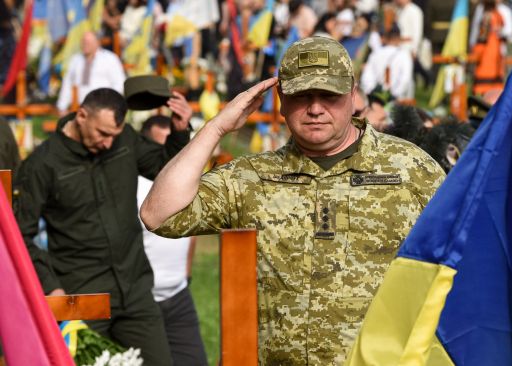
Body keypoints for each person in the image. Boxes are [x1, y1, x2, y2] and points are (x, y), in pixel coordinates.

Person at [140, 36, 446, 364]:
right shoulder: (252, 177)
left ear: (352, 93)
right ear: (281, 99)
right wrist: (217, 128)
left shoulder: (409, 167)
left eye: (329, 95)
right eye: (302, 96)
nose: (315, 109)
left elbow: (463, 262)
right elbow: (159, 214)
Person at [13, 86, 192, 366]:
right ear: (81, 115)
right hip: (82, 296)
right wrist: (51, 286)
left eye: (114, 135)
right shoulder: (41, 165)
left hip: (135, 291)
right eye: (103, 133)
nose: (109, 143)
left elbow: (165, 167)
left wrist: (180, 131)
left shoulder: (125, 140)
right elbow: (20, 235)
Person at [137, 115, 207, 366]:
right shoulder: (133, 189)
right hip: (142, 301)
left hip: (178, 296)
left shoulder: (185, 188)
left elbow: (191, 232)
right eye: (160, 146)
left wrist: (185, 275)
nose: (169, 155)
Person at [56, 32, 126, 114]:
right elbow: (67, 83)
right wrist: (62, 106)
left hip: (103, 107)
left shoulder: (109, 59)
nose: (85, 44)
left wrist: (109, 105)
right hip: (79, 108)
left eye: (88, 42)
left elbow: (119, 83)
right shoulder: (75, 60)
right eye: (83, 42)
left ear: (97, 43)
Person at [360, 24, 414, 99]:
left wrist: (371, 92)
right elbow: (405, 79)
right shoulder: (404, 55)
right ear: (399, 38)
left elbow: (366, 77)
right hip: (395, 100)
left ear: (385, 37)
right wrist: (394, 95)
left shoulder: (376, 53)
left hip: (375, 97)